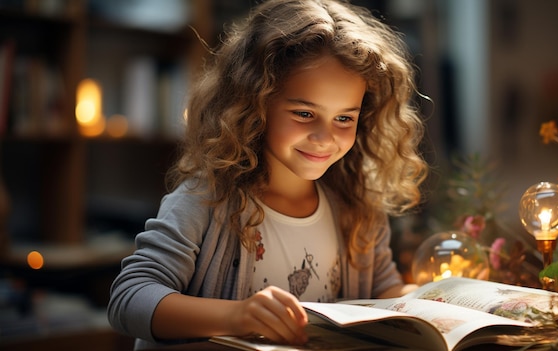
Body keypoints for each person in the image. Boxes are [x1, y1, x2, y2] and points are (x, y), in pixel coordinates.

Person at [107, 0, 429, 349]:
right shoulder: (206, 200)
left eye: (344, 118)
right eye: (305, 114)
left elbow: (385, 294)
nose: (325, 138)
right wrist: (237, 316)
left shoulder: (357, 210)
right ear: (255, 104)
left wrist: (436, 296)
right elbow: (128, 299)